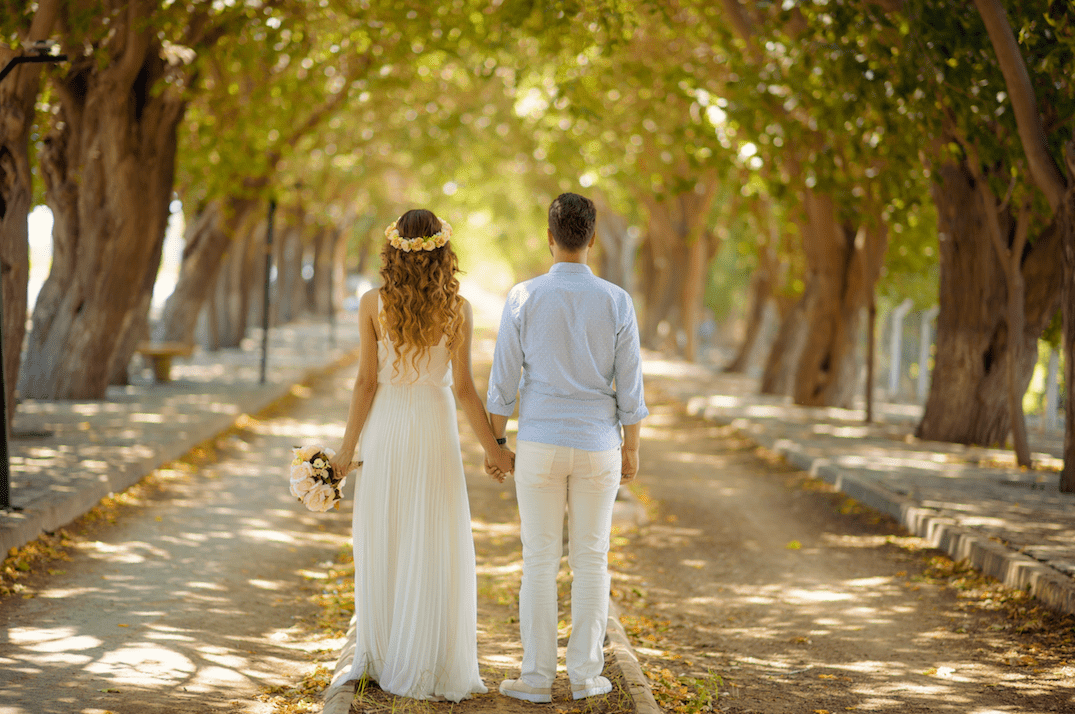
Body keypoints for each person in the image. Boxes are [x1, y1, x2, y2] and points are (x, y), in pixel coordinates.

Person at [328, 209, 515, 702]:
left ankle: (382, 655)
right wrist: (495, 450)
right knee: (431, 536)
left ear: (394, 249)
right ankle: (428, 660)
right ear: (442, 252)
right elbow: (465, 389)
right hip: (434, 429)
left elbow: (367, 384)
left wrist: (346, 452)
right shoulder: (459, 307)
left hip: (388, 427)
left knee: (385, 532)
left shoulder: (371, 303)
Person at [486, 192, 648, 703]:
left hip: (539, 444)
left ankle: (535, 678)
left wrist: (496, 444)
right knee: (592, 560)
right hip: (599, 444)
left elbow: (502, 383)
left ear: (549, 237)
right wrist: (631, 449)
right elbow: (632, 386)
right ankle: (585, 677)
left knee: (538, 560)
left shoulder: (523, 297)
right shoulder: (616, 301)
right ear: (593, 239)